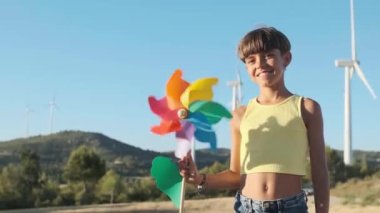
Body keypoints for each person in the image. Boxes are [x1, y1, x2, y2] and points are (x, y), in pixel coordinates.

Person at [178, 26, 329, 213]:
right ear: (247, 67)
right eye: (251, 60)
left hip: (290, 207)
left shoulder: (306, 108)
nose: (260, 64)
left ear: (286, 58)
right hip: (246, 206)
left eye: (268, 55)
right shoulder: (240, 115)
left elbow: (320, 172)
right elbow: (235, 175)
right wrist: (199, 178)